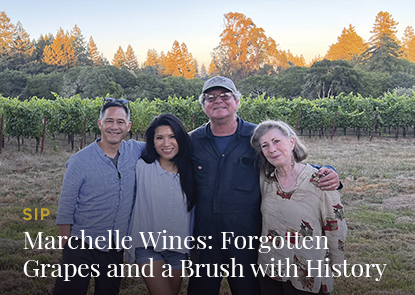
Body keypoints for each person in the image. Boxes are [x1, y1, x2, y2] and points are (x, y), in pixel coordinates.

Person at [187, 76, 341, 295]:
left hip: (246, 236)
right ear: (203, 105)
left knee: (247, 290)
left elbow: (285, 161)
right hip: (205, 234)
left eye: (225, 96)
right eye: (210, 97)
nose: (218, 101)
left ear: (237, 102)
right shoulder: (192, 141)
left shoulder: (255, 137)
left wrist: (324, 170)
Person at [54, 98, 145, 295]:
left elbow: (167, 141)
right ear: (100, 124)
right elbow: (66, 207)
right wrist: (67, 247)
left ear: (128, 126)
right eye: (109, 121)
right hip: (81, 243)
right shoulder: (79, 161)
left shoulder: (135, 150)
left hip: (114, 245)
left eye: (120, 122)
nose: (114, 126)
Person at [250, 120, 347, 294]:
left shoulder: (320, 181)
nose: (271, 149)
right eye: (265, 145)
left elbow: (335, 226)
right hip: (271, 268)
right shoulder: (266, 180)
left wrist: (337, 263)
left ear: (292, 142)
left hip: (307, 271)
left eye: (276, 141)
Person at [126, 113, 196, 295]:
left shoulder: (192, 172)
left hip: (178, 247)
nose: (166, 143)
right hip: (147, 246)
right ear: (152, 141)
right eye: (159, 138)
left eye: (172, 136)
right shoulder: (141, 167)